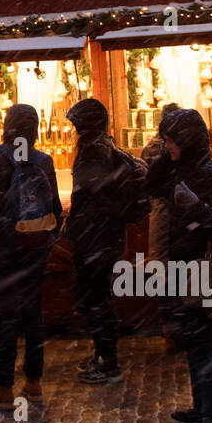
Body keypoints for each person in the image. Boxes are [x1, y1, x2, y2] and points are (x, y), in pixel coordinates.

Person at [146, 108, 212, 423]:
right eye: (165, 139)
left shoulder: (209, 174)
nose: (167, 145)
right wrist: (166, 156)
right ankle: (204, 409)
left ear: (187, 140)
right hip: (186, 266)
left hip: (206, 268)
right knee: (195, 342)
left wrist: (195, 206)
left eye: (172, 140)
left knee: (204, 345)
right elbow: (151, 185)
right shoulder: (183, 167)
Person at [0, 104, 63, 409]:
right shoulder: (44, 161)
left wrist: (0, 204)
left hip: (5, 246)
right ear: (34, 129)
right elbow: (56, 210)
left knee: (7, 314)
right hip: (35, 248)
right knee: (33, 313)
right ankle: (33, 383)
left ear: (6, 126)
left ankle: (3, 386)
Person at [63, 98, 140, 384]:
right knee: (97, 297)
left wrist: (75, 224)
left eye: (76, 125)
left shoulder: (93, 151)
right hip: (104, 236)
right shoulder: (103, 146)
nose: (72, 130)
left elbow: (88, 194)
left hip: (95, 238)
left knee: (96, 299)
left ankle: (108, 362)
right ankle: (102, 354)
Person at [142, 104, 182, 354]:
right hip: (175, 217)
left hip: (163, 217)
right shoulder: (188, 148)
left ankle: (171, 331)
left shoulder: (152, 148)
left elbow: (146, 183)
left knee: (165, 276)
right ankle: (180, 329)